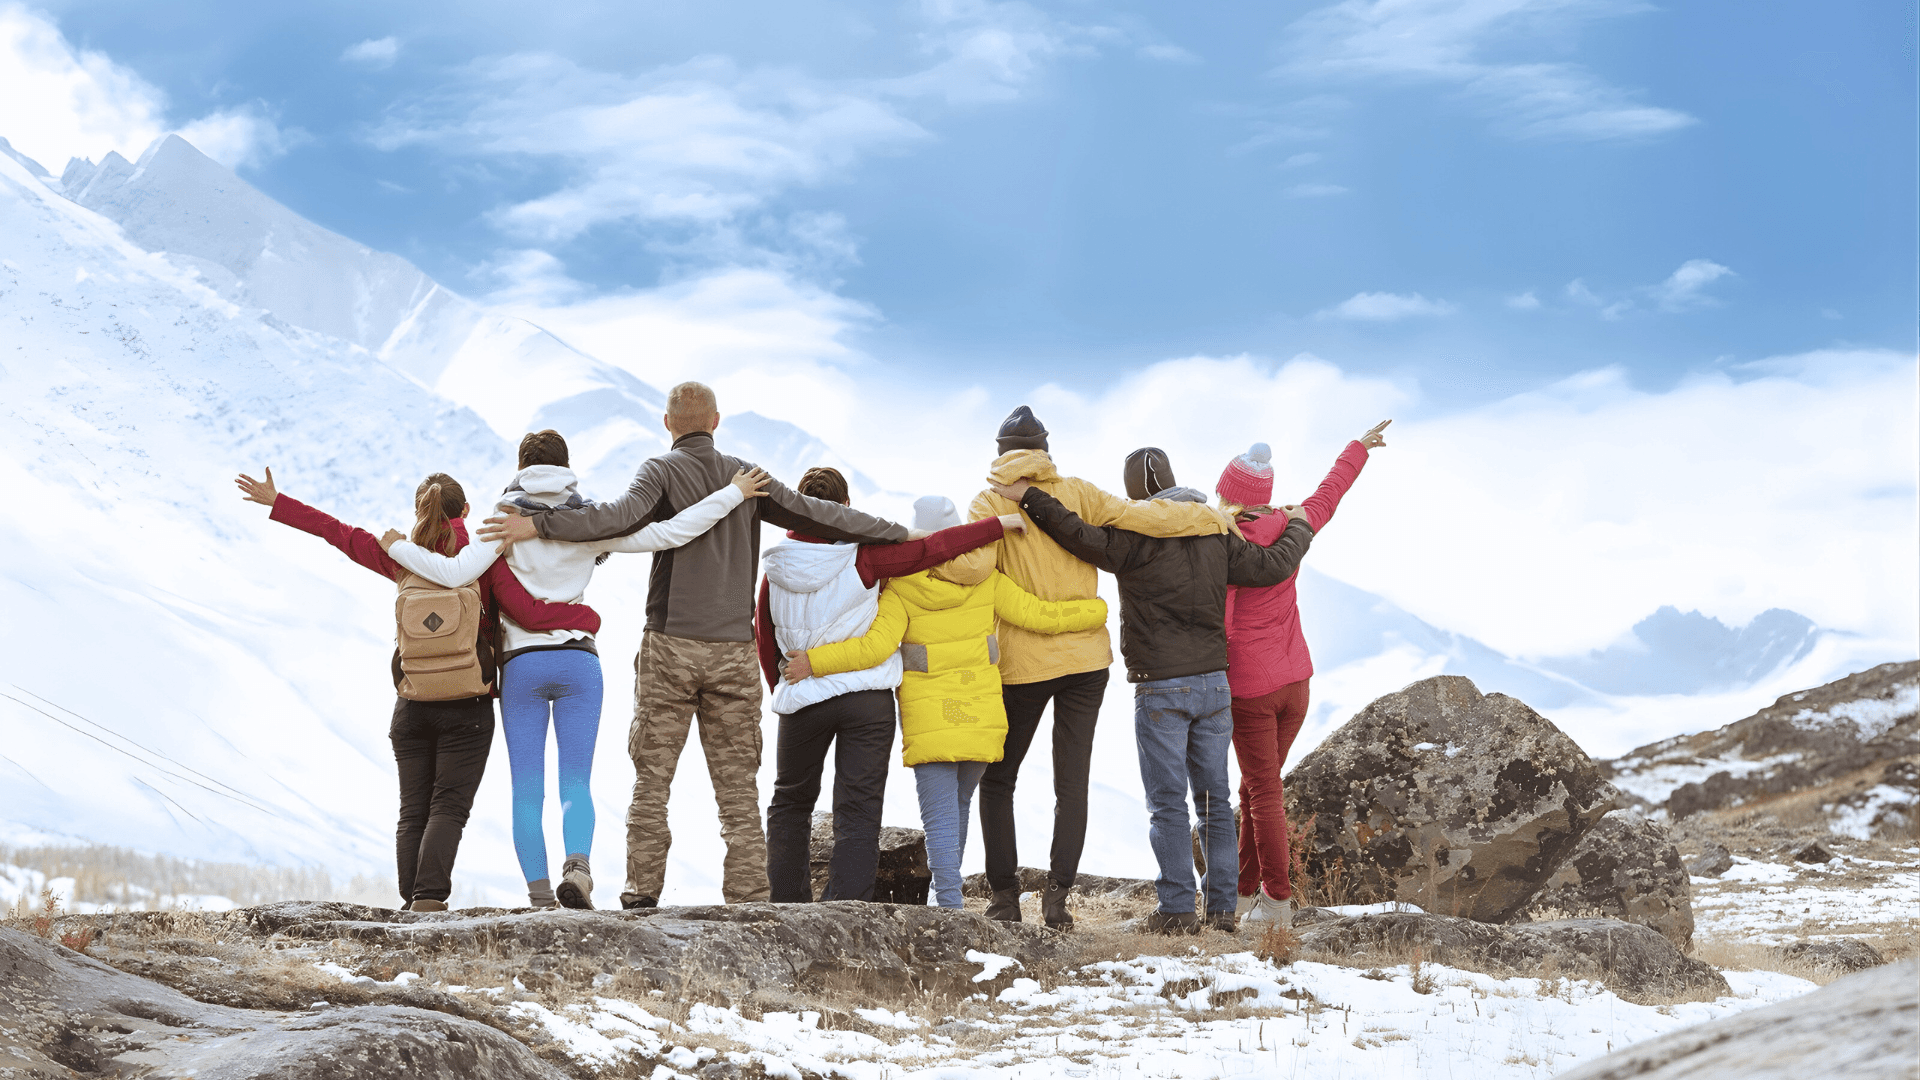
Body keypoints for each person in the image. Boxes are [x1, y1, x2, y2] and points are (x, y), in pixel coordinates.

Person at [478, 382, 908, 909]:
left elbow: (610, 520)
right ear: (717, 421)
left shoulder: (659, 471)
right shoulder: (747, 476)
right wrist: (895, 533)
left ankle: (641, 894)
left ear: (668, 423)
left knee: (652, 780)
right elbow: (822, 515)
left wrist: (537, 523)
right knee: (737, 791)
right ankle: (750, 900)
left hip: (669, 647)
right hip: (732, 651)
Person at [385, 430, 773, 910]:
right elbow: (673, 531)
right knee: (575, 782)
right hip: (579, 663)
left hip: (522, 667)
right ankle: (578, 867)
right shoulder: (588, 523)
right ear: (567, 468)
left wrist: (398, 548)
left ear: (520, 467)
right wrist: (733, 493)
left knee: (527, 787)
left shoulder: (501, 524)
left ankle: (541, 898)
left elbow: (450, 574)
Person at [234, 466, 599, 912]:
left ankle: (413, 901)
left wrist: (278, 502)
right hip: (467, 703)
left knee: (413, 810)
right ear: (465, 510)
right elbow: (530, 614)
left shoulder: (399, 555)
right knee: (448, 806)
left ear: (419, 512)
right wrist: (587, 620)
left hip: (412, 702)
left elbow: (338, 533)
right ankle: (428, 898)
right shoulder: (481, 558)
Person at [932, 405, 1240, 930]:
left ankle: (1005, 899)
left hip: (1023, 664)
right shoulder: (1079, 492)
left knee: (999, 780)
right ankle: (1057, 901)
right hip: (1086, 663)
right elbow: (1149, 516)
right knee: (1071, 783)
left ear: (1002, 453)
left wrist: (925, 554)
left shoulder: (987, 501)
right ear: (1045, 450)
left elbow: (980, 569)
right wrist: (1211, 517)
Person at [990, 447, 1315, 935]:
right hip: (1214, 683)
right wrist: (1300, 525)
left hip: (1160, 687)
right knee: (1214, 799)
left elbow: (1075, 533)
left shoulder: (1131, 535)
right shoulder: (1214, 530)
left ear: (1133, 494)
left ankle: (1178, 910)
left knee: (1167, 803)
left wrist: (1030, 496)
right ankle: (1223, 911)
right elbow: (1272, 566)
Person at [784, 556, 1109, 910]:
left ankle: (950, 909)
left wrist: (815, 661)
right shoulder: (988, 579)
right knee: (958, 808)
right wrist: (1094, 612)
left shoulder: (903, 587)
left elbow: (875, 647)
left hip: (932, 721)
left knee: (940, 820)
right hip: (981, 719)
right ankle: (946, 900)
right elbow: (1038, 615)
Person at [755, 469, 1018, 904]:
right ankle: (848, 906)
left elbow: (765, 634)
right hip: (866, 701)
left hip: (803, 696)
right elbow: (932, 547)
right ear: (847, 506)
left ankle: (789, 906)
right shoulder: (865, 557)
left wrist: (778, 689)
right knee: (858, 809)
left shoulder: (776, 567)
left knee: (790, 804)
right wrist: (995, 526)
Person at [1219, 422, 1389, 929]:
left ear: (1228, 497)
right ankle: (1245, 891)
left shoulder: (1225, 545)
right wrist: (1357, 448)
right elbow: (1329, 493)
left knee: (1263, 791)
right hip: (1297, 682)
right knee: (1256, 789)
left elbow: (1223, 625)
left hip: (1251, 689)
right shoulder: (1294, 523)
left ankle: (1276, 901)